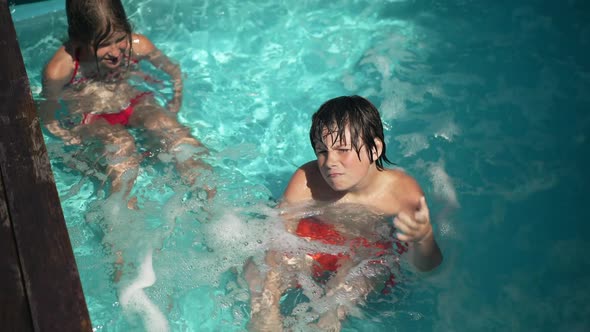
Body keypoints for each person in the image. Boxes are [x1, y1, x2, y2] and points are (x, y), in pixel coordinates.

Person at [246, 95, 443, 331]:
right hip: (318, 242)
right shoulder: (307, 181)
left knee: (343, 296)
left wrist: (424, 237)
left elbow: (427, 266)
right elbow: (277, 242)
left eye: (342, 150)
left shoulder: (401, 193)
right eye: (322, 151)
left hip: (367, 253)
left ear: (375, 149)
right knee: (257, 273)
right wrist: (269, 308)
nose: (330, 162)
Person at [40, 0, 210, 209]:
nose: (115, 52)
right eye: (103, 45)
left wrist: (177, 98)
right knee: (121, 144)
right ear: (78, 40)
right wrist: (68, 135)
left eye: (120, 39)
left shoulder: (137, 46)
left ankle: (210, 194)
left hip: (132, 102)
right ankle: (120, 212)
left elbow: (173, 71)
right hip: (92, 117)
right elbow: (47, 115)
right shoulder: (60, 69)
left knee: (166, 126)